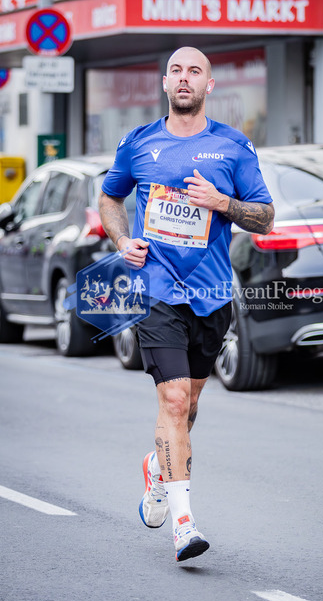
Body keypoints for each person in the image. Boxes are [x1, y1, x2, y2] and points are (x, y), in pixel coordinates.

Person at [99, 46, 274, 562]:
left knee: (190, 405)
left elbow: (266, 218)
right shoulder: (138, 143)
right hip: (155, 290)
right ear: (164, 82)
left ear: (208, 85)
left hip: (211, 294)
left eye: (194, 71)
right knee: (173, 400)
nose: (184, 78)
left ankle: (158, 467)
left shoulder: (233, 147)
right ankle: (183, 524)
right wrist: (122, 241)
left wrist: (223, 203)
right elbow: (110, 197)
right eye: (175, 70)